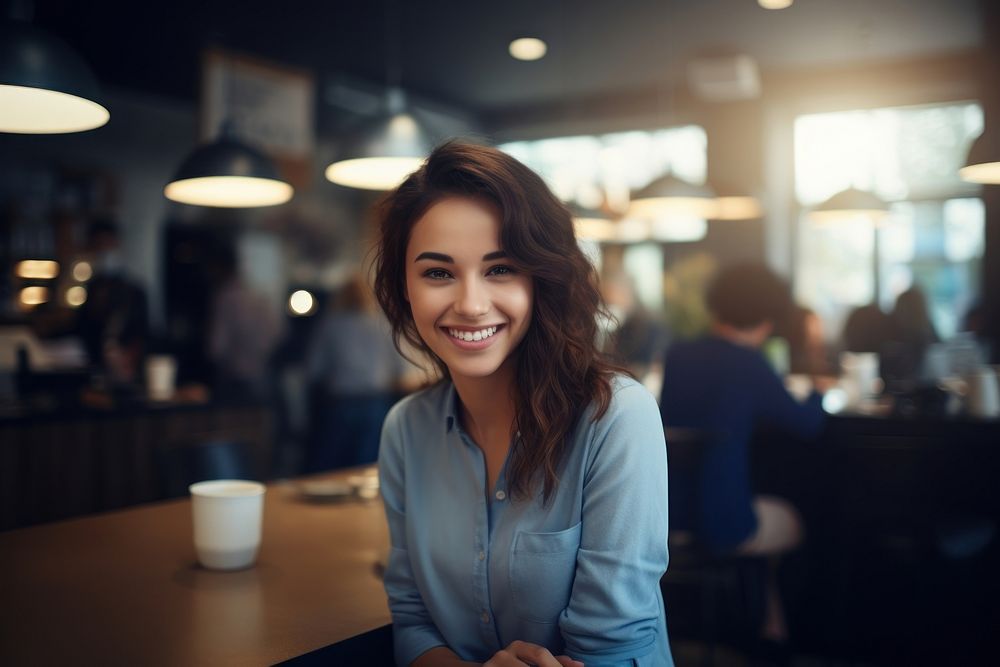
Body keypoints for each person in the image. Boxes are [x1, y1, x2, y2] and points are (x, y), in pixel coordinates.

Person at [373, 142, 672, 666]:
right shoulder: (405, 430)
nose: (469, 304)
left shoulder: (616, 418)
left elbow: (611, 648)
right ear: (405, 288)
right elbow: (414, 622)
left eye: (501, 269)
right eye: (438, 272)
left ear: (542, 279)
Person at [659, 263, 826, 646]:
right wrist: (818, 387)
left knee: (757, 510)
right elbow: (808, 424)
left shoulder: (678, 355)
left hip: (671, 516)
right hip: (722, 525)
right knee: (794, 521)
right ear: (768, 318)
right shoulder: (749, 363)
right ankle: (778, 636)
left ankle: (766, 627)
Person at [304, 274, 411, 471]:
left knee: (333, 466)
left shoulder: (330, 325)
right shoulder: (382, 325)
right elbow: (401, 367)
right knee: (368, 465)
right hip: (375, 402)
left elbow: (314, 369)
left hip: (340, 403)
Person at [75, 218, 149, 389]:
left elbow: (144, 331)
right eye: (97, 245)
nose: (103, 250)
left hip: (127, 370)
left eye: (106, 243)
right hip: (94, 370)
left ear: (116, 243)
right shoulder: (92, 288)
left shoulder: (134, 290)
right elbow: (81, 326)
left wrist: (130, 358)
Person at [206, 241, 283, 402]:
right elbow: (277, 332)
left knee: (233, 423)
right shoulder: (259, 294)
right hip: (262, 372)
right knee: (259, 422)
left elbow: (217, 345)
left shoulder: (225, 297)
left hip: (235, 375)